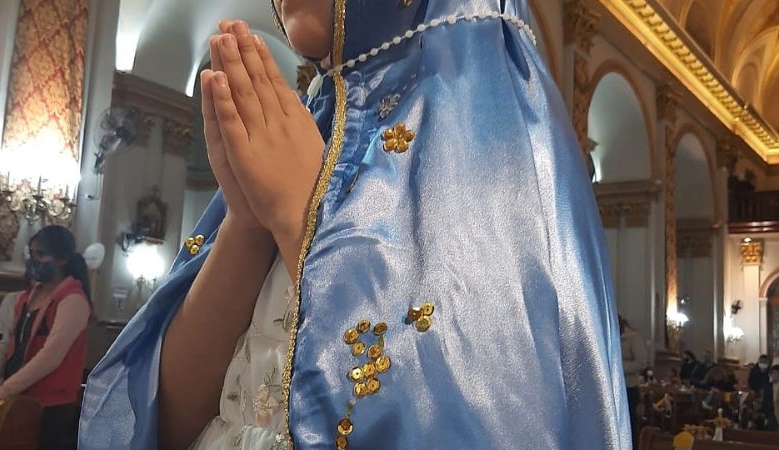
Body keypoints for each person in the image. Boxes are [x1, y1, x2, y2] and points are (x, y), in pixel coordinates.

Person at [79, 1, 630, 449]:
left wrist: (304, 224)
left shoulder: (501, 146)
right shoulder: (309, 119)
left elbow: (470, 420)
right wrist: (247, 224)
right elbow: (163, 424)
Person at [0, 226, 92, 450]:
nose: (33, 260)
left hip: (49, 405)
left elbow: (51, 357)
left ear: (62, 259)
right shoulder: (28, 296)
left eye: (41, 254)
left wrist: (6, 390)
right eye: (31, 253)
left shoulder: (73, 300)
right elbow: (11, 343)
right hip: (19, 397)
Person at [619, 315, 646, 446]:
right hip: (615, 388)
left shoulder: (633, 338)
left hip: (629, 387)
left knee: (630, 424)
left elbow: (642, 362)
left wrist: (620, 367)